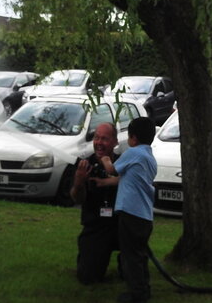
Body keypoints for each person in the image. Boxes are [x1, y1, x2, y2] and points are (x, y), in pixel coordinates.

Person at [96, 117, 157, 303]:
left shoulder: (134, 153)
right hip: (145, 217)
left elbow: (113, 170)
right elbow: (127, 178)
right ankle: (143, 290)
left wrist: (105, 160)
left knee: (131, 257)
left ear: (134, 138)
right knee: (139, 255)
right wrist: (104, 183)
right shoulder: (149, 157)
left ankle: (136, 295)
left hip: (131, 214)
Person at [70, 122, 121, 284]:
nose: (99, 142)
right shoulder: (86, 165)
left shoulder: (123, 163)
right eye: (96, 138)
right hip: (95, 226)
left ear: (115, 142)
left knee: (130, 274)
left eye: (104, 139)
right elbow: (77, 199)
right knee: (88, 278)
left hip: (121, 225)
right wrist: (79, 182)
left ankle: (126, 263)